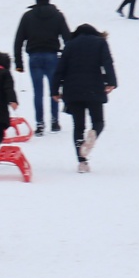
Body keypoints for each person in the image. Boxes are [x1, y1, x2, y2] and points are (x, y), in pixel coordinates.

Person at [52, 25, 118, 173]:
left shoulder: (70, 45)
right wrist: (112, 82)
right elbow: (108, 62)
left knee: (78, 126)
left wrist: (55, 90)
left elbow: (60, 69)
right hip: (94, 88)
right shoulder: (100, 43)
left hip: (73, 90)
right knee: (98, 121)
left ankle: (82, 163)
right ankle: (94, 132)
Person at [12, 0, 72, 133]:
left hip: (34, 58)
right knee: (54, 90)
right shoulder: (58, 16)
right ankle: (54, 121)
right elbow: (68, 39)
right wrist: (67, 60)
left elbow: (18, 40)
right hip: (52, 57)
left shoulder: (27, 16)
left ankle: (40, 123)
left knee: (37, 92)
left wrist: (19, 63)